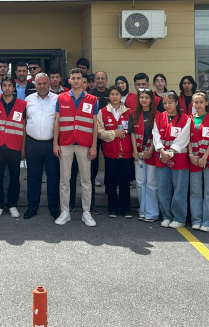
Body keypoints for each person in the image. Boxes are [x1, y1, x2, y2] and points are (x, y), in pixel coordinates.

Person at [53, 68, 98, 227]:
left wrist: (94, 146)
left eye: (79, 78)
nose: (76, 80)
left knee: (86, 180)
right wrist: (55, 143)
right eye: (73, 78)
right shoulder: (61, 98)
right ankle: (65, 211)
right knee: (65, 179)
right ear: (69, 80)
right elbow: (57, 122)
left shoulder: (92, 99)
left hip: (84, 144)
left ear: (82, 80)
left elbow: (95, 124)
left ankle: (86, 212)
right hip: (65, 143)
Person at [24, 73, 60, 220]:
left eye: (45, 83)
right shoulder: (28, 100)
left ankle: (54, 207)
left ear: (49, 84)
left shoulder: (57, 99)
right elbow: (24, 121)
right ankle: (32, 207)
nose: (42, 86)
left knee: (53, 177)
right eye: (39, 84)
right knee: (33, 177)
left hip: (52, 144)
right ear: (35, 85)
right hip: (32, 143)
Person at [153, 91, 191, 229]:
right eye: (165, 103)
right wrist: (161, 150)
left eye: (170, 102)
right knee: (163, 188)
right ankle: (167, 216)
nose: (167, 105)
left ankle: (179, 218)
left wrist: (170, 151)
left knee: (179, 190)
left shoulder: (186, 119)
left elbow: (184, 138)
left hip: (179, 159)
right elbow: (155, 135)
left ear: (176, 103)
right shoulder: (158, 117)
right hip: (162, 158)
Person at [0, 76, 26, 219]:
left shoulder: (22, 104)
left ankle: (12, 204)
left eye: (9, 85)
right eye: (4, 85)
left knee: (14, 178)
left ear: (13, 87)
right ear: (1, 87)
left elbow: (24, 127)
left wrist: (23, 149)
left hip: (15, 146)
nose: (7, 88)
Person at [97, 86, 133, 218]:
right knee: (111, 181)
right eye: (112, 94)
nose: (115, 96)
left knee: (125, 182)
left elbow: (132, 132)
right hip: (110, 151)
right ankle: (112, 207)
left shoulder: (129, 112)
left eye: (117, 94)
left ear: (121, 96)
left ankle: (125, 209)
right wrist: (114, 133)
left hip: (125, 152)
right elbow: (99, 131)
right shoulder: (102, 112)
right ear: (109, 96)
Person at [187, 91, 209, 232]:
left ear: (206, 103)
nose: (199, 105)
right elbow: (187, 139)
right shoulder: (189, 119)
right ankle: (196, 220)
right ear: (192, 104)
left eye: (201, 102)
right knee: (195, 191)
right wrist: (191, 155)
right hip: (194, 159)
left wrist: (205, 157)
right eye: (196, 102)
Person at [130, 88, 159, 222]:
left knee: (151, 182)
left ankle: (152, 213)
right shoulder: (134, 113)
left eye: (147, 97)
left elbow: (157, 135)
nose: (144, 100)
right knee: (140, 182)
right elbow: (132, 133)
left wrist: (151, 150)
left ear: (151, 100)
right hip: (138, 152)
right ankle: (143, 210)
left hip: (151, 153)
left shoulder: (157, 115)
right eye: (141, 97)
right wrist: (135, 150)